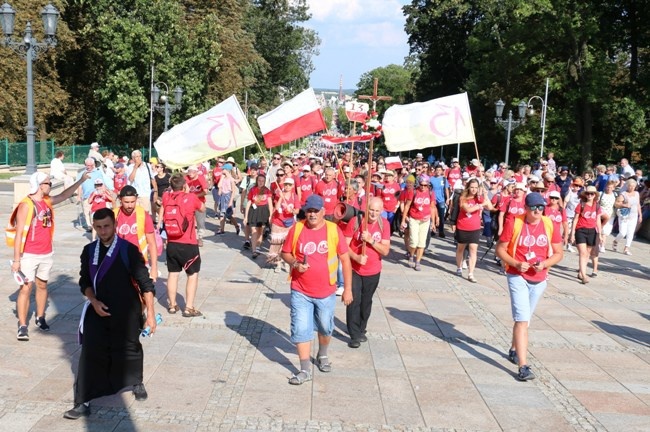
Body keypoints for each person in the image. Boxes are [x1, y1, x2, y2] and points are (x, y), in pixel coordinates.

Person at [63, 208, 156, 420]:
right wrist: (93, 301)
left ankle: (136, 380)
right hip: (98, 310)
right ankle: (82, 401)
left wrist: (150, 314)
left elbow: (146, 284)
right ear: (94, 227)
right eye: (98, 227)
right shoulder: (88, 251)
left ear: (114, 225)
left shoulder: (128, 250)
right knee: (90, 352)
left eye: (107, 226)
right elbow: (84, 282)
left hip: (127, 311)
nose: (103, 231)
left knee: (130, 347)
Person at [280, 195, 352, 385]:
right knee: (301, 328)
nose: (311, 214)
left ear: (322, 212)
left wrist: (348, 289)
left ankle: (322, 354)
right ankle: (304, 370)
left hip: (326, 291)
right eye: (309, 210)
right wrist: (295, 263)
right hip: (300, 290)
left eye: (315, 211)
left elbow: (345, 260)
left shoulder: (333, 230)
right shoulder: (297, 228)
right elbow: (285, 253)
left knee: (325, 327)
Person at [9, 171, 90, 341]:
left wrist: (80, 181)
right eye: (47, 183)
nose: (50, 186)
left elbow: (64, 195)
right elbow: (18, 234)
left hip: (46, 252)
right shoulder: (27, 205)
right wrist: (17, 260)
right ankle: (23, 325)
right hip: (29, 254)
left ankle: (40, 317)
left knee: (42, 285)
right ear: (39, 185)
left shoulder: (47, 201)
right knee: (25, 288)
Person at [496, 192, 564, 381]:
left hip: (539, 278)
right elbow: (500, 249)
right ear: (526, 208)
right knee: (522, 318)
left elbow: (559, 252)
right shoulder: (515, 222)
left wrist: (546, 263)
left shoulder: (550, 224)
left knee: (524, 320)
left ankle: (513, 348)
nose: (537, 211)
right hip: (517, 275)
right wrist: (516, 263)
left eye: (541, 207)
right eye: (534, 207)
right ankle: (523, 366)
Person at [343, 197, 390, 348]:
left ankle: (362, 328)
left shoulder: (384, 225)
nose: (373, 213)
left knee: (366, 302)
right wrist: (356, 256)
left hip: (373, 270)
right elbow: (344, 245)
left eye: (377, 211)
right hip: (355, 269)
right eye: (371, 210)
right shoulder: (355, 222)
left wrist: (371, 241)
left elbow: (385, 250)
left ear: (381, 211)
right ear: (366, 209)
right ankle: (354, 334)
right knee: (354, 300)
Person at [159, 173, 206, 317]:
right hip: (188, 242)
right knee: (192, 275)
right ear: (184, 185)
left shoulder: (167, 196)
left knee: (172, 274)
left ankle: (172, 305)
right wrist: (188, 192)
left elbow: (162, 204)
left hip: (172, 242)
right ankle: (189, 307)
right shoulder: (191, 198)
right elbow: (202, 208)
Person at [114, 185, 158, 281]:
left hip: (140, 261)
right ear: (120, 200)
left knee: (145, 294)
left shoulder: (143, 215)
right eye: (126, 202)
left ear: (136, 199)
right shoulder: (114, 215)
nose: (130, 205)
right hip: (119, 261)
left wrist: (154, 267)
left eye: (132, 202)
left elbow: (152, 243)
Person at [455, 179, 494, 282]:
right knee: (460, 248)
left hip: (475, 227)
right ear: (468, 187)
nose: (474, 189)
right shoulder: (463, 197)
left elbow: (490, 207)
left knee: (473, 250)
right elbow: (468, 209)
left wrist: (485, 196)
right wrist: (480, 205)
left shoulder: (479, 198)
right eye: (472, 187)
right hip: (463, 226)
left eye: (476, 187)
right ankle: (459, 267)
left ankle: (471, 273)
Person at [400, 174, 439, 271]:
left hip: (425, 220)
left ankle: (418, 261)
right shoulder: (413, 191)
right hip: (414, 218)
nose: (423, 187)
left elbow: (432, 207)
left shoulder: (431, 193)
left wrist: (433, 222)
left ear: (428, 185)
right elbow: (407, 206)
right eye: (421, 184)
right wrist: (403, 219)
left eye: (425, 185)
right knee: (413, 241)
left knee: (422, 243)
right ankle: (411, 255)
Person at [569, 185, 602, 284]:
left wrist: (600, 234)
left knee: (587, 253)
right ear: (585, 194)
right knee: (583, 253)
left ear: (595, 195)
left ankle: (581, 272)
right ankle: (584, 275)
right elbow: (575, 220)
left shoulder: (597, 206)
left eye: (592, 194)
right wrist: (572, 233)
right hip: (581, 230)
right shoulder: (581, 205)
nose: (590, 195)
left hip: (592, 231)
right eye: (588, 193)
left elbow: (598, 220)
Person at [268, 176, 299, 272]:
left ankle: (286, 261)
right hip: (278, 222)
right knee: (277, 243)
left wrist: (293, 211)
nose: (287, 186)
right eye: (286, 184)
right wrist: (281, 198)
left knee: (286, 244)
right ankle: (277, 263)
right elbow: (277, 208)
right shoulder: (279, 194)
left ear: (292, 186)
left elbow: (297, 210)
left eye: (289, 185)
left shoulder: (294, 196)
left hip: (289, 223)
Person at [77, 158, 112, 232]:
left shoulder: (98, 172)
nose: (88, 167)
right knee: (86, 211)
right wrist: (79, 196)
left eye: (90, 165)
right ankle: (89, 225)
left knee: (94, 211)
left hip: (96, 195)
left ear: (93, 165)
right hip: (86, 195)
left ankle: (95, 224)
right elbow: (79, 185)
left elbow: (102, 183)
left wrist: (105, 191)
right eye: (87, 165)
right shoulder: (82, 174)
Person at [244, 174, 273, 259]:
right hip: (254, 210)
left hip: (263, 211)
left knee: (260, 230)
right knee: (253, 230)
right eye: (259, 180)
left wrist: (270, 215)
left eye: (262, 181)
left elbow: (270, 203)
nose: (261, 182)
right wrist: (246, 216)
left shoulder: (267, 191)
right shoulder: (253, 190)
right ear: (257, 181)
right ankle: (253, 250)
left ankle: (258, 247)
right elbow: (249, 202)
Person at [613, 178, 642, 255]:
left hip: (634, 216)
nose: (632, 188)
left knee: (631, 232)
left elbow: (638, 204)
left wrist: (640, 215)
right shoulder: (623, 194)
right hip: (624, 216)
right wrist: (624, 205)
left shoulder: (637, 193)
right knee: (623, 233)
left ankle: (626, 248)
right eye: (630, 186)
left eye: (633, 186)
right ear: (627, 186)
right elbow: (616, 204)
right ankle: (616, 241)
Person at [185, 165, 208, 246]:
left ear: (195, 172)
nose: (189, 174)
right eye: (188, 171)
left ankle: (200, 237)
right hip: (189, 202)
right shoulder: (186, 178)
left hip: (199, 202)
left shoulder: (200, 178)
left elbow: (205, 191)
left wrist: (194, 196)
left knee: (200, 221)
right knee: (188, 220)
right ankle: (189, 237)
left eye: (191, 172)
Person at [216, 163, 241, 235]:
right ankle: (222, 230)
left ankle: (236, 226)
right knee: (222, 214)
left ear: (227, 170)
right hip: (222, 196)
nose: (222, 170)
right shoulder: (223, 178)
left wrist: (230, 202)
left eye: (223, 169)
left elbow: (233, 191)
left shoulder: (231, 180)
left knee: (229, 215)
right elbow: (219, 186)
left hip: (228, 197)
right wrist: (221, 178)